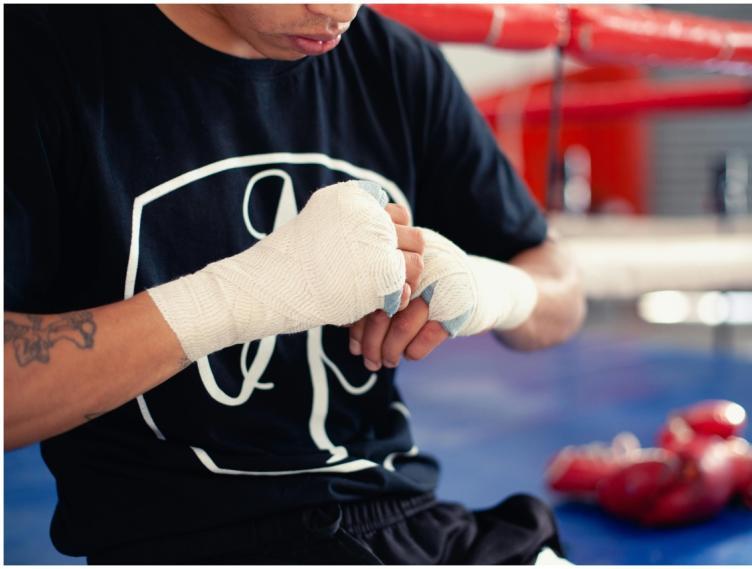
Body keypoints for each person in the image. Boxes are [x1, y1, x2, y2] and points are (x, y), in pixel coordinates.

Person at [4, 4, 585, 564]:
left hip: (415, 524)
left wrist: (486, 288)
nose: (338, 10)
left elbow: (563, 293)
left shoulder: (398, 65)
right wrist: (243, 295)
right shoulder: (37, 56)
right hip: (197, 545)